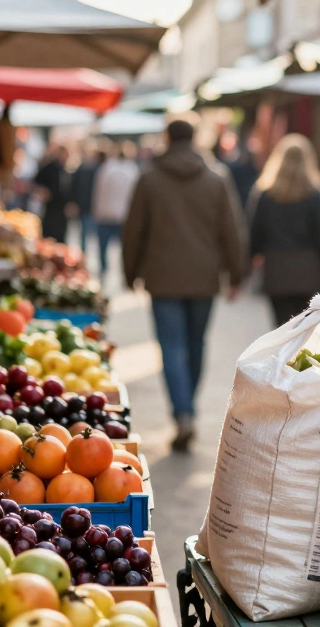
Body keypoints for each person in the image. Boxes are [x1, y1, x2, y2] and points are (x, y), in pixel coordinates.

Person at [122, 119, 248, 451]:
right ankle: (187, 409)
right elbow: (231, 230)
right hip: (204, 278)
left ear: (167, 139)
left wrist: (129, 272)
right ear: (195, 138)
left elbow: (133, 229)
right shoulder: (216, 178)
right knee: (195, 345)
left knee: (171, 347)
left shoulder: (149, 178)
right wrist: (235, 275)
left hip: (162, 277)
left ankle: (183, 413)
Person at [247, 134, 320, 325]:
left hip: (276, 270)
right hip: (309, 271)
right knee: (307, 332)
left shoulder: (265, 195)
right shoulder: (316, 195)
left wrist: (250, 261)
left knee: (282, 329)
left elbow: (254, 232)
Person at [91, 141, 141, 280]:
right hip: (123, 215)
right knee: (125, 249)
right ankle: (124, 272)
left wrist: (97, 211)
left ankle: (104, 270)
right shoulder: (132, 170)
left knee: (103, 248)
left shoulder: (107, 168)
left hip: (106, 214)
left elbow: (98, 192)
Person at [33, 143, 71, 243]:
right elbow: (36, 182)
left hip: (61, 210)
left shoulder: (64, 169)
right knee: (48, 236)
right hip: (50, 209)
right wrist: (42, 192)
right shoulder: (49, 167)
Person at [70, 143, 100, 257]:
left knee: (89, 233)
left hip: (91, 205)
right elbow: (74, 187)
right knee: (84, 233)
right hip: (84, 205)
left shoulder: (95, 169)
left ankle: (86, 255)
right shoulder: (82, 169)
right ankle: (83, 255)